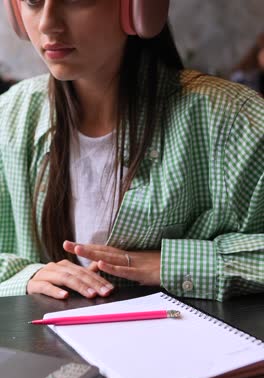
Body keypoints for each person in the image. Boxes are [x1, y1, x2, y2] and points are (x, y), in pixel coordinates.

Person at [1, 0, 264, 302]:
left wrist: (173, 264)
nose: (47, 24)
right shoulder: (10, 117)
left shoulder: (233, 121)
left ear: (136, 8)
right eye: (33, 2)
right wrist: (26, 275)